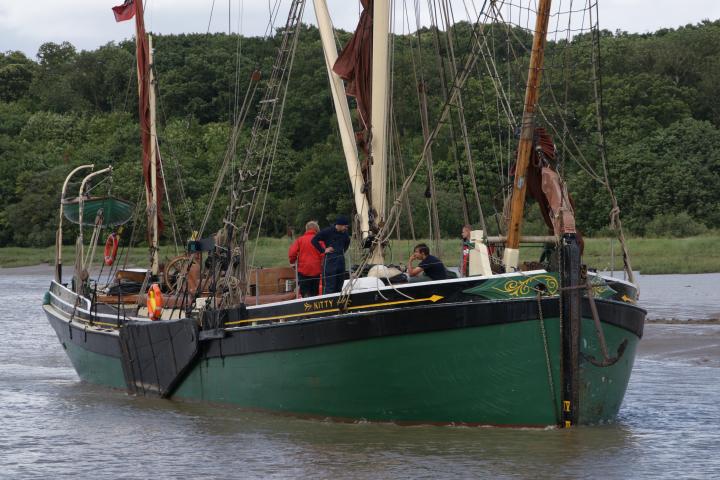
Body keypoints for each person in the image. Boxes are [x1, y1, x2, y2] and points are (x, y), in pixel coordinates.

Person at [311, 216, 351, 294]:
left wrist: (342, 251)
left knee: (339, 285)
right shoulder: (328, 231)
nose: (346, 229)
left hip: (341, 260)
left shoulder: (345, 234)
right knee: (329, 286)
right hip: (330, 261)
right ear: (339, 225)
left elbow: (347, 242)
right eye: (345, 227)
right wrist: (323, 250)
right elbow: (314, 240)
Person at [288, 221, 323, 297]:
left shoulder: (300, 240)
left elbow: (292, 253)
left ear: (306, 229)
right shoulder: (320, 240)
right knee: (315, 294)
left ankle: (305, 300)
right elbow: (324, 254)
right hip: (316, 271)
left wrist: (292, 262)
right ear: (316, 229)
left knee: (305, 293)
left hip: (303, 270)